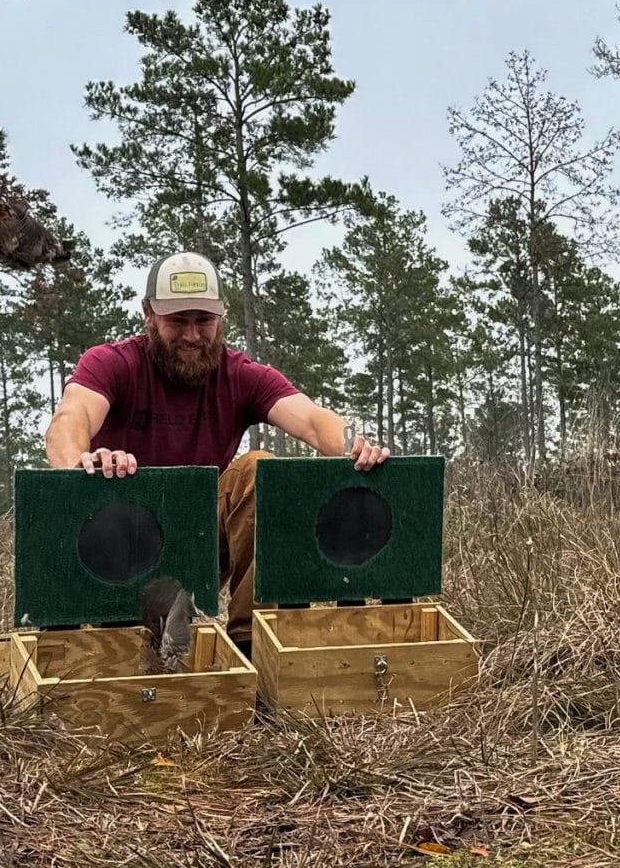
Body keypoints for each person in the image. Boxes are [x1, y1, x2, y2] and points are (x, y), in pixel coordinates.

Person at [44, 251, 387, 644]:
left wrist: (354, 444)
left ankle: (249, 643)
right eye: (177, 321)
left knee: (259, 467)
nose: (192, 336)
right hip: (121, 543)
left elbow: (312, 419)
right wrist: (81, 462)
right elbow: (69, 419)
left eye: (204, 321)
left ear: (221, 318)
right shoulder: (111, 363)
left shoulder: (240, 375)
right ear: (148, 314)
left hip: (198, 545)